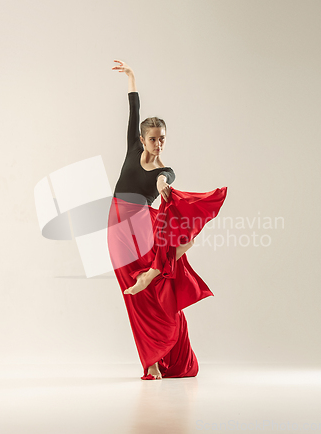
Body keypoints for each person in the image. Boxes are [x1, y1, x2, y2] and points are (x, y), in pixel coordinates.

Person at [107, 59, 228, 380]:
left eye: (163, 138)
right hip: (118, 228)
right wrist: (132, 78)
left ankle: (156, 271)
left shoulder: (165, 170)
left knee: (182, 237)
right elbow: (134, 110)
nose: (159, 144)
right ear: (143, 139)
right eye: (154, 138)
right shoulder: (132, 148)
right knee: (137, 300)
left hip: (141, 223)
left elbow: (164, 183)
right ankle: (152, 360)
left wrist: (164, 188)